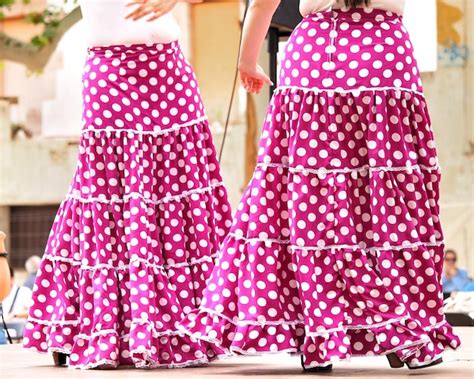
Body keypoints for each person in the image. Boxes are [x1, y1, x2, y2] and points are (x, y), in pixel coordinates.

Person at [181, 0, 461, 371]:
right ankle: (404, 331)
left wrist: (247, 61)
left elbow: (264, 5)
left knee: (311, 202)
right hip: (385, 60)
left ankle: (320, 334)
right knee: (389, 200)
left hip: (316, 61)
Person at [23, 0, 232, 369]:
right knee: (106, 189)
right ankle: (89, 325)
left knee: (180, 179)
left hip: (168, 66)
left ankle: (190, 323)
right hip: (110, 67)